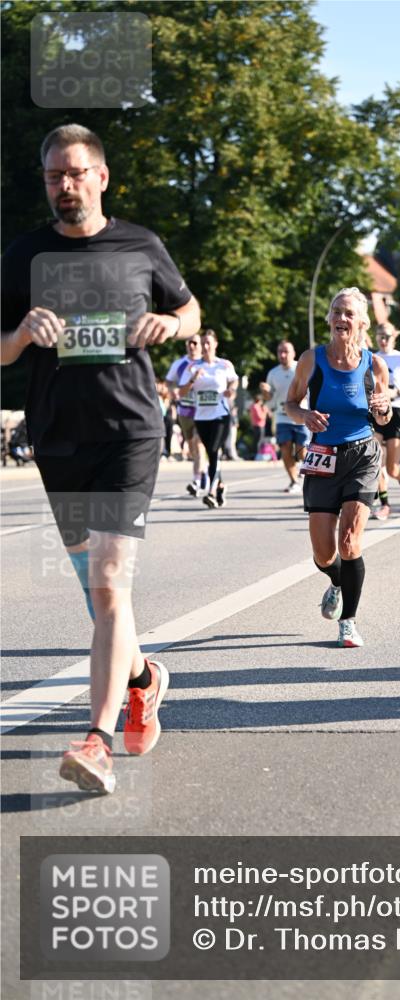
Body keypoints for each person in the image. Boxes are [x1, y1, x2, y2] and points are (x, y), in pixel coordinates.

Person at [0, 123, 200, 793]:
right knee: (99, 595)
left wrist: (171, 324)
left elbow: (191, 310)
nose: (66, 185)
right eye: (54, 175)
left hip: (129, 432)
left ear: (102, 177)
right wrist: (20, 334)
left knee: (112, 583)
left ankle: (97, 741)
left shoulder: (140, 245)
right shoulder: (24, 255)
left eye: (77, 172)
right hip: (58, 438)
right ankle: (143, 679)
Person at [285, 287, 391, 648]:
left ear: (362, 323)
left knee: (349, 541)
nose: (341, 318)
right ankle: (336, 580)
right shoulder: (311, 360)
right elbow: (290, 403)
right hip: (322, 456)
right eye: (336, 312)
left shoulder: (374, 365)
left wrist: (384, 409)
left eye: (349, 313)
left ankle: (348, 622)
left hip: (362, 455)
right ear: (329, 318)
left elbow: (384, 416)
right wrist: (304, 415)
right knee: (324, 554)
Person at [179, 328, 237, 509]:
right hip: (201, 417)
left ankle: (211, 492)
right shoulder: (193, 366)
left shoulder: (224, 365)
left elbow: (234, 380)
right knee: (212, 455)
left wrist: (231, 390)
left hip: (220, 415)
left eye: (208, 343)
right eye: (203, 343)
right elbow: (181, 392)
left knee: (213, 450)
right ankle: (220, 486)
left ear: (215, 344)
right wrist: (192, 380)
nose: (205, 346)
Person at [371, 323, 400, 520]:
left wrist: (397, 392)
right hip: (376, 412)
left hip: (398, 411)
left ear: (394, 337)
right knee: (375, 461)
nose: (383, 340)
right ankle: (385, 505)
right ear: (376, 337)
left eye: (387, 336)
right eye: (380, 336)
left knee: (391, 468)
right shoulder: (371, 358)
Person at [260, 340, 309, 493]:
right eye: (280, 352)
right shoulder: (273, 373)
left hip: (301, 415)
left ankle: (307, 473)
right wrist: (265, 392)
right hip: (282, 416)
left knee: (302, 451)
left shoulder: (301, 368)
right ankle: (294, 481)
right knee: (285, 447)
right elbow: (269, 397)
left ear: (293, 353)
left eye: (286, 351)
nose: (282, 355)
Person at [165, 333, 205, 494]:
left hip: (203, 411)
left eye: (195, 343)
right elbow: (169, 381)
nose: (191, 346)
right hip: (185, 411)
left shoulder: (206, 363)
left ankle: (197, 481)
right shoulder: (179, 363)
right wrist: (172, 390)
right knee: (192, 447)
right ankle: (203, 472)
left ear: (201, 345)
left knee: (199, 443)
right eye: (189, 343)